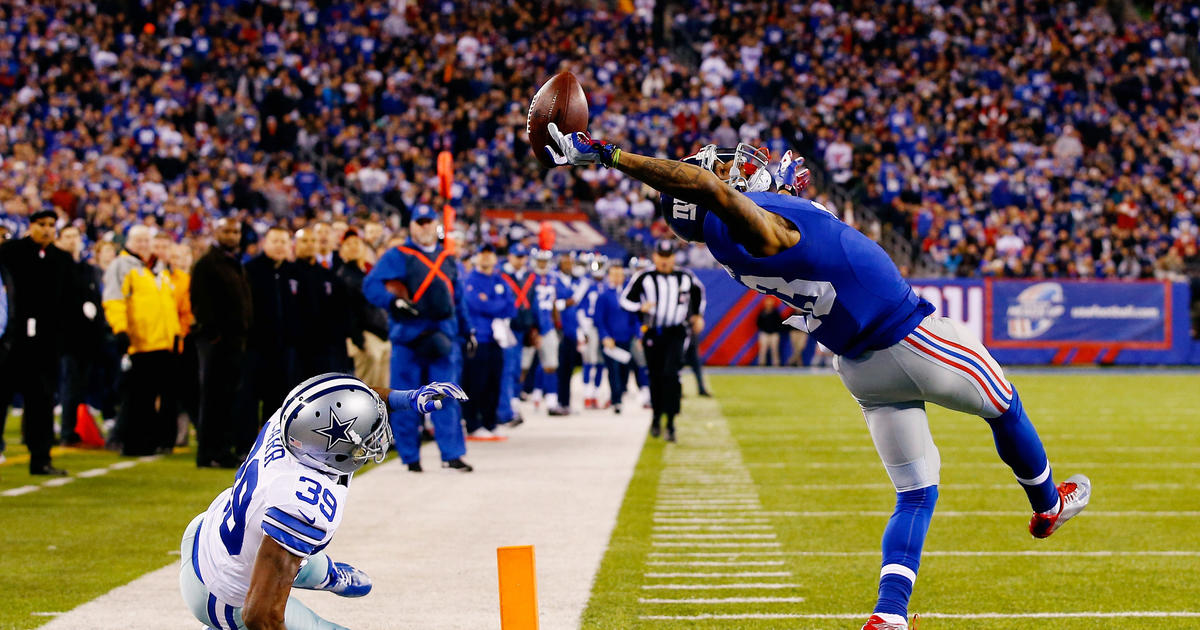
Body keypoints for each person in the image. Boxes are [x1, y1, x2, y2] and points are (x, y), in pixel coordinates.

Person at [544, 127, 1092, 630]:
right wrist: (609, 154)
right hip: (909, 336)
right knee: (1004, 403)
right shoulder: (750, 222)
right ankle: (1047, 505)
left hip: (861, 368)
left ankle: (889, 616)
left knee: (916, 494)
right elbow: (700, 185)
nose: (738, 169)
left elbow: (706, 192)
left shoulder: (735, 237)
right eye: (726, 170)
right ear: (712, 191)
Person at [178, 372, 466, 630]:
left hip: (205, 531)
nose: (376, 437)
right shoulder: (302, 504)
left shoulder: (294, 420)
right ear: (336, 449)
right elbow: (260, 616)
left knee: (291, 549)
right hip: (222, 599)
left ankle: (325, 574)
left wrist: (407, 398)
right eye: (368, 435)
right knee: (291, 571)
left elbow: (348, 399)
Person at [363, 205, 474, 473]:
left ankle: (452, 454)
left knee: (447, 396)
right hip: (408, 339)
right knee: (405, 398)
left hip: (443, 338)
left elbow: (458, 300)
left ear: (435, 224)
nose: (424, 226)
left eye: (429, 221)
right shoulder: (397, 255)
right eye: (419, 222)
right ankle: (410, 456)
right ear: (411, 226)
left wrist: (467, 331)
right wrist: (393, 301)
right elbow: (371, 285)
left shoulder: (448, 258)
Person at [0, 209, 73, 474]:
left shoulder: (62, 260)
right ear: (31, 226)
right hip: (11, 343)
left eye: (52, 225)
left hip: (45, 347)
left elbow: (68, 303)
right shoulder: (10, 253)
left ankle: (41, 459)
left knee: (41, 405)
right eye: (41, 224)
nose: (47, 229)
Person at [102, 224, 182, 456]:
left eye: (146, 241)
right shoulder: (123, 266)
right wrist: (120, 330)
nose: (143, 245)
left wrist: (175, 333)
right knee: (138, 398)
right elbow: (114, 299)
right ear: (128, 242)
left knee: (154, 399)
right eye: (138, 241)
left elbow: (168, 306)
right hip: (141, 342)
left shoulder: (157, 269)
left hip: (164, 343)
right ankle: (133, 444)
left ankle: (150, 441)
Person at [617, 239, 705, 442]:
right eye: (661, 257)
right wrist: (641, 308)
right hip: (653, 332)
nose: (665, 261)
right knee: (655, 376)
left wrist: (698, 315)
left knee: (671, 374)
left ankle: (671, 422)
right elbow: (625, 300)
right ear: (654, 256)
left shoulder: (685, 277)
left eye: (668, 257)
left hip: (676, 331)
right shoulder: (644, 276)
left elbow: (698, 292)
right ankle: (656, 417)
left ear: (674, 257)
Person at [190, 217, 253, 468]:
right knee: (214, 397)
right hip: (216, 342)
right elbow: (200, 302)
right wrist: (213, 334)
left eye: (236, 231)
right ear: (216, 231)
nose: (232, 235)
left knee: (227, 398)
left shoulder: (234, 263)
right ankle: (208, 452)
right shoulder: (207, 264)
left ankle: (222, 449)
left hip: (235, 341)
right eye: (227, 230)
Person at [242, 226, 301, 455]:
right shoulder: (250, 270)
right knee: (249, 399)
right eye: (275, 241)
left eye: (284, 242)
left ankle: (273, 449)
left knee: (278, 402)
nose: (279, 246)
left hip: (285, 348)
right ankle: (247, 447)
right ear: (264, 243)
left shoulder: (293, 272)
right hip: (255, 347)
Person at [56, 225, 107, 446]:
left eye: (74, 236)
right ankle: (66, 431)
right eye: (66, 236)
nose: (71, 240)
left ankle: (72, 429)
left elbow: (95, 300)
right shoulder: (57, 265)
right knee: (69, 386)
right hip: (66, 338)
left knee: (80, 386)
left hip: (87, 339)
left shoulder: (87, 269)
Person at [461, 244, 515, 440]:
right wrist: (496, 304)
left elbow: (511, 307)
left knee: (495, 382)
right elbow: (474, 303)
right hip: (478, 338)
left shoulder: (500, 280)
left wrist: (490, 304)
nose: (486, 257)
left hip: (497, 339)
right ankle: (474, 424)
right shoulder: (470, 280)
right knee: (476, 383)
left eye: (489, 254)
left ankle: (490, 423)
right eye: (482, 253)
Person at [293, 227, 350, 375]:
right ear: (295, 244)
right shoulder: (288, 273)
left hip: (325, 347)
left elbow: (339, 311)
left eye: (313, 241)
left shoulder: (328, 275)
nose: (310, 244)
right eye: (304, 241)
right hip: (297, 347)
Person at [337, 229, 391, 388]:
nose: (354, 247)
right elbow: (346, 310)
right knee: (366, 387)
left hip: (381, 333)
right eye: (349, 244)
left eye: (357, 243)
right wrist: (358, 339)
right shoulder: (342, 275)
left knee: (384, 387)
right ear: (342, 249)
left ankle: (382, 413)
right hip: (365, 336)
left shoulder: (368, 272)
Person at [594, 262, 642, 414]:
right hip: (611, 339)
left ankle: (620, 393)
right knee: (613, 370)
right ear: (609, 276)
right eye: (614, 274)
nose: (617, 277)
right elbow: (599, 319)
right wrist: (605, 336)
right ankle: (616, 400)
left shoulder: (629, 294)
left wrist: (638, 334)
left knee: (624, 370)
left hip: (625, 337)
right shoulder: (604, 295)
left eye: (619, 274)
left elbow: (634, 316)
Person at [497, 244, 535, 428]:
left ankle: (512, 403)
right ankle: (506, 409)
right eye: (517, 256)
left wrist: (534, 327)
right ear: (510, 257)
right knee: (507, 369)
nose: (520, 260)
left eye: (523, 256)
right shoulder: (500, 276)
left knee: (517, 368)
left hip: (521, 328)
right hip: (504, 328)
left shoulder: (528, 276)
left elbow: (533, 302)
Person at [528, 248, 563, 415]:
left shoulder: (553, 279)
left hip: (548, 326)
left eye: (544, 261)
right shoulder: (528, 278)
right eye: (539, 261)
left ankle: (551, 401)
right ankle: (512, 404)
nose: (542, 264)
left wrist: (557, 323)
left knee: (550, 365)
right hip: (530, 327)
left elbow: (554, 302)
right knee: (521, 368)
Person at [756, 296, 785, 367]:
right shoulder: (762, 312)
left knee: (775, 350)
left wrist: (775, 330)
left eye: (770, 304)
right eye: (767, 304)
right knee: (763, 350)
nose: (769, 305)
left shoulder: (775, 313)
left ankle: (776, 364)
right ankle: (761, 363)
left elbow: (779, 322)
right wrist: (764, 329)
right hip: (764, 333)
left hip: (774, 334)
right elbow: (758, 323)